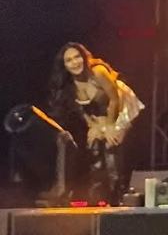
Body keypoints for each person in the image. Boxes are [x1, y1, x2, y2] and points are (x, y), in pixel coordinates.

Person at [50, 43, 140, 203]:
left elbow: (114, 99)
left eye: (77, 57)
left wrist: (110, 127)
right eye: (69, 60)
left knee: (112, 142)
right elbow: (83, 110)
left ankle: (118, 193)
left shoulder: (98, 72)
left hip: (121, 105)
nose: (75, 62)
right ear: (64, 65)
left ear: (84, 57)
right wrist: (94, 128)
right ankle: (100, 192)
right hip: (99, 113)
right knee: (94, 142)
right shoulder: (69, 85)